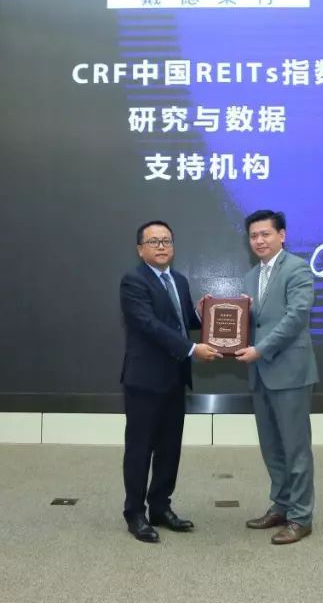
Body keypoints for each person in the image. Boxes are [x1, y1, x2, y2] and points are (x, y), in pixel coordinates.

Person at [120, 220, 220, 543]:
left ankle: (160, 507)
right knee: (140, 449)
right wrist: (192, 349)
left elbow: (182, 320)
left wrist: (204, 314)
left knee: (169, 448)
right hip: (145, 380)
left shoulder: (178, 280)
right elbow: (149, 324)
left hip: (175, 379)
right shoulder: (133, 281)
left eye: (166, 240)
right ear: (141, 250)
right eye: (154, 241)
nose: (162, 246)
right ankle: (135, 512)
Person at [233, 210, 318, 544]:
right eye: (253, 235)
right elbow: (250, 321)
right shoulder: (250, 276)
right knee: (272, 447)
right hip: (260, 374)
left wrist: (260, 350)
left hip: (290, 372)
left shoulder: (297, 268)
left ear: (282, 235)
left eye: (265, 234)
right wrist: (211, 314)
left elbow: (296, 317)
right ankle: (281, 506)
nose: (259, 241)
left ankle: (301, 517)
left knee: (296, 449)